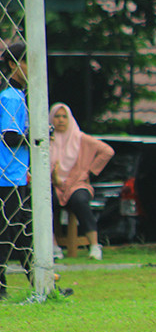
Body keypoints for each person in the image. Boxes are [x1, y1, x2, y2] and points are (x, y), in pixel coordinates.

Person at [49, 103, 115, 260]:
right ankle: (53, 246)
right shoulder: (47, 139)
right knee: (46, 204)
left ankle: (94, 245)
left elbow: (107, 151)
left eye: (64, 117)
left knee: (80, 201)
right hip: (53, 184)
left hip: (77, 183)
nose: (61, 120)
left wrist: (89, 171)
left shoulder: (80, 138)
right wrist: (54, 177)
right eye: (57, 117)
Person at [1, 42, 33, 298]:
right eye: (26, 61)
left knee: (25, 234)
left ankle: (41, 283)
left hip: (18, 175)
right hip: (6, 177)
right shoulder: (9, 97)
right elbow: (10, 138)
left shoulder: (18, 95)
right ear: (13, 64)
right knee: (8, 233)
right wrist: (36, 136)